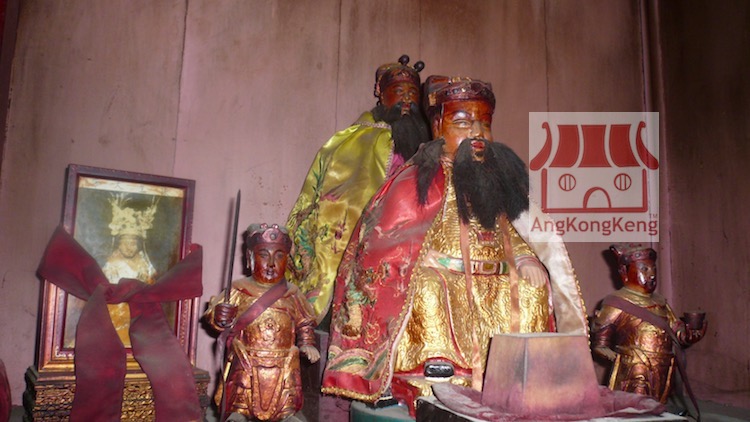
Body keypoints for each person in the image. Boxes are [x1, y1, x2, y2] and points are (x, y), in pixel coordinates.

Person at [321, 75, 588, 404]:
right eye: (462, 122)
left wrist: (525, 257)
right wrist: (417, 257)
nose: (477, 133)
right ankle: (436, 364)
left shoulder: (497, 182)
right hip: (444, 275)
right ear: (437, 127)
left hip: (496, 278)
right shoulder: (417, 179)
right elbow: (388, 236)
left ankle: (526, 368)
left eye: (484, 124)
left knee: (533, 289)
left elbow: (512, 229)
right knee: (426, 287)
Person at [286, 55, 431, 323]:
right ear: (381, 93)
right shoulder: (349, 143)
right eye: (399, 92)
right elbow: (331, 201)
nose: (406, 100)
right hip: (361, 250)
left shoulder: (429, 147)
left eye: (412, 94)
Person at [205, 223, 320, 422]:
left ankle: (286, 414)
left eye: (279, 256)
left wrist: (307, 343)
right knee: (242, 383)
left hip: (283, 358)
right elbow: (215, 318)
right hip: (247, 356)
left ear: (287, 260)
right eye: (264, 255)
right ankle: (239, 412)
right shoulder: (238, 290)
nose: (271, 264)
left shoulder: (292, 293)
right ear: (250, 257)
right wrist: (220, 317)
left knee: (287, 385)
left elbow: (305, 321)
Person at [592, 243, 707, 403]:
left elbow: (676, 331)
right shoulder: (616, 303)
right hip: (634, 370)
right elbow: (600, 343)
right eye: (644, 269)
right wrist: (617, 356)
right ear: (625, 272)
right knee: (634, 408)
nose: (651, 275)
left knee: (657, 406)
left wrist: (690, 333)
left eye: (653, 269)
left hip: (663, 369)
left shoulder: (660, 302)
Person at [102, 194, 158, 346]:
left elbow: (152, 287)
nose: (129, 247)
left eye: (133, 243)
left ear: (139, 245)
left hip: (139, 313)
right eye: (125, 243)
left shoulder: (144, 264)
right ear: (118, 244)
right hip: (116, 313)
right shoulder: (111, 264)